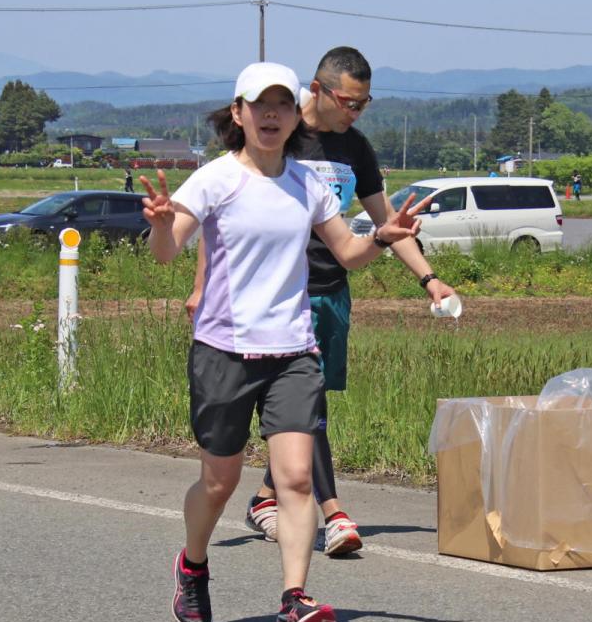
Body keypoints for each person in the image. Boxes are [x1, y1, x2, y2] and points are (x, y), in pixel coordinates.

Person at [143, 61, 430, 622]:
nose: (271, 114)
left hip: (294, 350)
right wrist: (158, 224)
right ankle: (193, 565)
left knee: (296, 479)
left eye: (281, 104)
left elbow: (347, 252)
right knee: (219, 483)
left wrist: (383, 235)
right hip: (223, 349)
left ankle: (292, 600)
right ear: (238, 114)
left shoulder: (307, 182)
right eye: (259, 105)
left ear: (293, 114)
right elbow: (167, 254)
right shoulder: (215, 179)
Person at [187, 47, 456, 557]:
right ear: (318, 89)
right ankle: (332, 511)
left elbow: (386, 223)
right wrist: (202, 286)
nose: (355, 113)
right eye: (349, 102)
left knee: (305, 410)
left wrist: (429, 278)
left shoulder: (355, 147)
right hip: (276, 295)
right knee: (308, 415)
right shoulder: (280, 134)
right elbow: (219, 220)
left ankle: (269, 497)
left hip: (333, 286)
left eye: (364, 104)